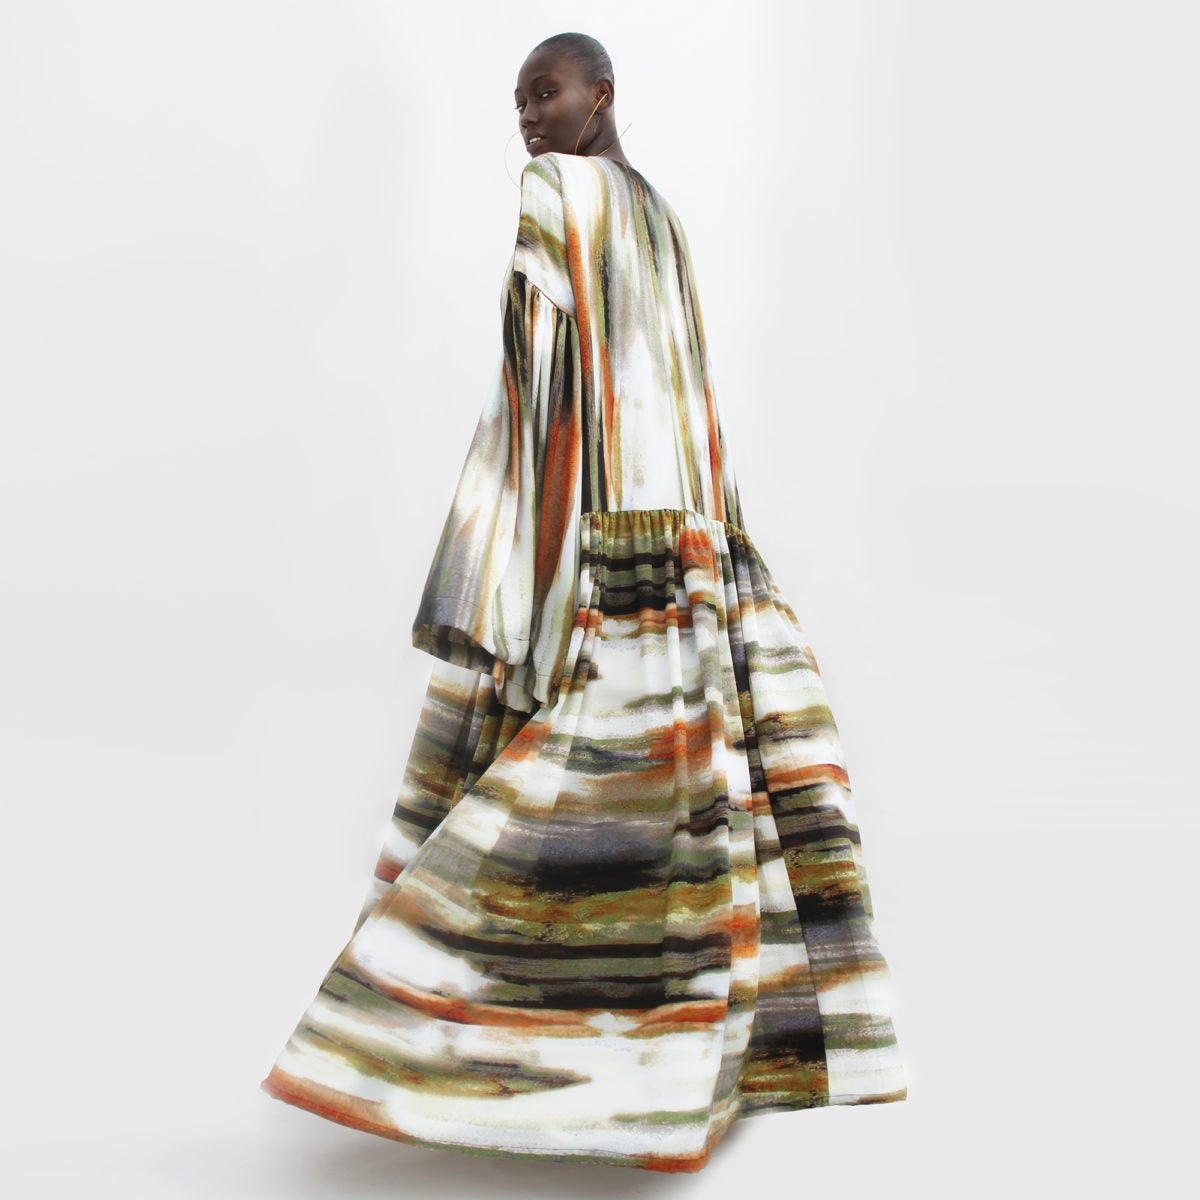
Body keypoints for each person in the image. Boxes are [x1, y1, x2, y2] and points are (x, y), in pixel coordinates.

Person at [260, 31, 908, 1173]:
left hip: (607, 537)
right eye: (518, 100)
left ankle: (445, 1048)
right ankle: (679, 1068)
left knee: (559, 795)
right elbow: (691, 387)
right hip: (688, 538)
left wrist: (516, 564)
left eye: (545, 92)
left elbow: (532, 385)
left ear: (600, 95)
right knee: (687, 808)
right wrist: (723, 537)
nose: (528, 115)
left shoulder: (556, 190)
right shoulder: (662, 213)